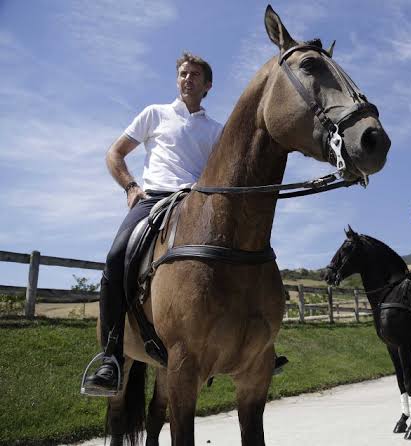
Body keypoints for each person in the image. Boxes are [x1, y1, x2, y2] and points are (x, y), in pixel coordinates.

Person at [82, 52, 286, 395]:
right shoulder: (154, 114)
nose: (186, 79)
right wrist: (131, 186)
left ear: (207, 85)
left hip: (199, 204)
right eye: (181, 73)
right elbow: (114, 153)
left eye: (194, 75)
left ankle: (262, 348)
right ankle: (112, 356)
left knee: (251, 253)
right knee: (117, 256)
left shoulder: (218, 131)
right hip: (153, 200)